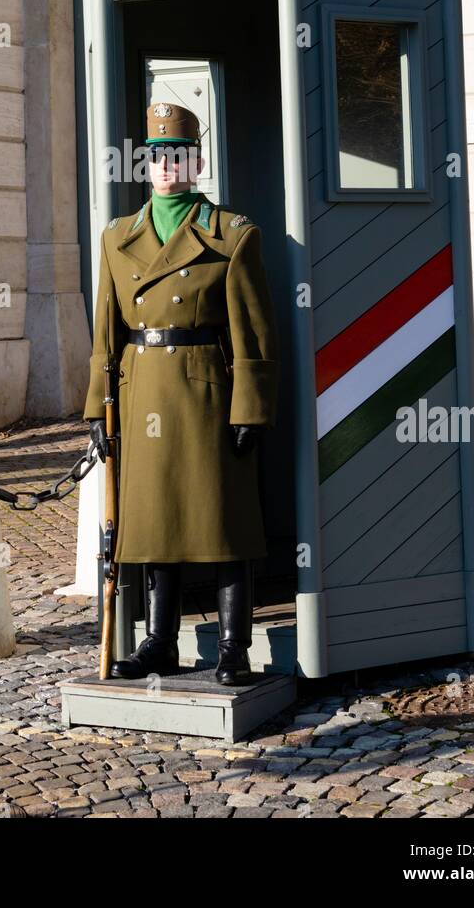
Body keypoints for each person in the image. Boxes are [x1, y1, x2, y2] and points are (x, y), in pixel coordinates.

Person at [85, 100, 279, 685]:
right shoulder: (118, 238)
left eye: (180, 154)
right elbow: (105, 331)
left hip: (206, 393)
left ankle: (232, 649)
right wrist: (97, 403)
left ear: (197, 161)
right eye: (158, 155)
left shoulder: (232, 235)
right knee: (152, 523)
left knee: (223, 522)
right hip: (141, 389)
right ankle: (159, 643)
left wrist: (251, 405)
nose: (168, 165)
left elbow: (254, 331)